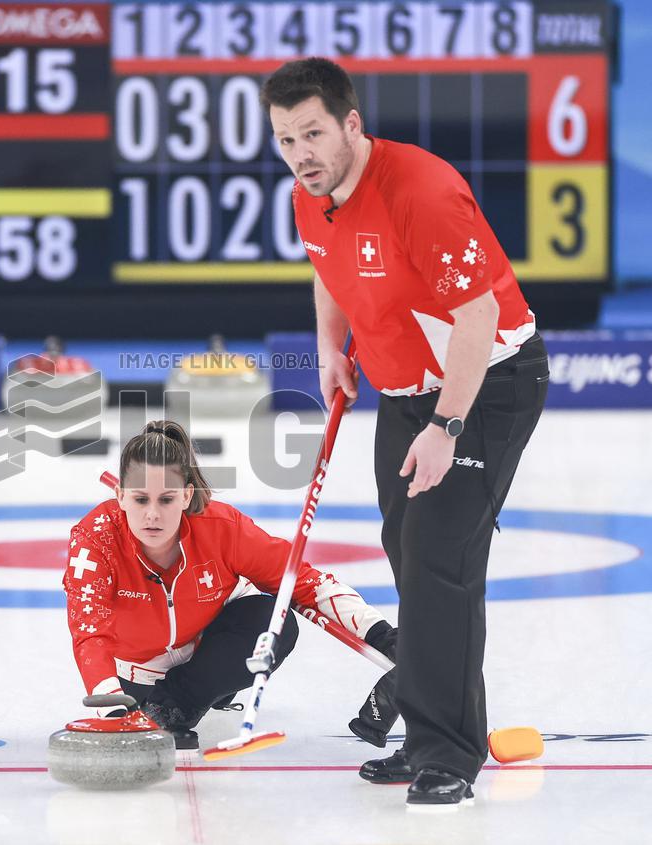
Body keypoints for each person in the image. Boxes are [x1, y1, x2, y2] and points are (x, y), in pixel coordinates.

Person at [259, 58, 549, 808]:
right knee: (408, 554)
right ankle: (428, 733)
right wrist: (330, 346)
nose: (301, 154)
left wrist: (449, 424)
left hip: (486, 385)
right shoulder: (310, 191)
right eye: (286, 139)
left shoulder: (420, 191)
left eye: (314, 133)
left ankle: (449, 754)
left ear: (352, 123)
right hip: (404, 390)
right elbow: (327, 266)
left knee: (440, 558)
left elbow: (478, 317)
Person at [62, 419, 393, 750]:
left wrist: (381, 633)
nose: (152, 515)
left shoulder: (221, 528)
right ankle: (173, 698)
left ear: (186, 495)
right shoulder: (95, 540)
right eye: (140, 499)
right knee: (134, 699)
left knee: (273, 621)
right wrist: (112, 709)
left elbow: (302, 581)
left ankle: (179, 705)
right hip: (134, 676)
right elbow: (90, 633)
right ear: (120, 496)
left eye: (166, 499)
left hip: (205, 647)